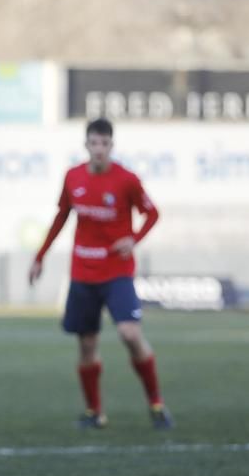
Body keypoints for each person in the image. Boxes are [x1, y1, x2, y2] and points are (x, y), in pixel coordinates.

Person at [28, 118, 173, 430]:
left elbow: (153, 213)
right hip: (82, 272)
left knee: (130, 334)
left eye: (104, 144)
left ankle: (157, 404)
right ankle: (95, 412)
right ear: (86, 144)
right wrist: (40, 256)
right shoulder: (73, 177)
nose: (98, 149)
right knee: (87, 346)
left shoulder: (126, 180)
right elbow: (61, 217)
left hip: (117, 272)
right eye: (93, 143)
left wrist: (133, 238)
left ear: (111, 146)